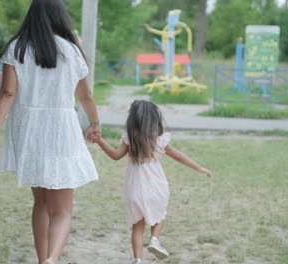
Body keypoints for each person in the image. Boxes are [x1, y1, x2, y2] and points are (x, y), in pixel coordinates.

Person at [0, 0, 100, 263]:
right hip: (62, 130)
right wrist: (95, 122)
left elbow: (7, 93)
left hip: (29, 131)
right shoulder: (72, 51)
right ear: (60, 16)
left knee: (41, 204)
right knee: (62, 210)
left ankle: (43, 260)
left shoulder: (17, 48)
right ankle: (51, 261)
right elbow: (86, 96)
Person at [89, 100, 212, 264]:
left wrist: (100, 141)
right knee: (160, 215)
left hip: (135, 189)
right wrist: (199, 168)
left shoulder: (129, 140)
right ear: (154, 119)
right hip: (156, 187)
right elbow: (179, 156)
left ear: (133, 120)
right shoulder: (160, 140)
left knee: (137, 226)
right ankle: (154, 239)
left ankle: (138, 260)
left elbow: (115, 156)